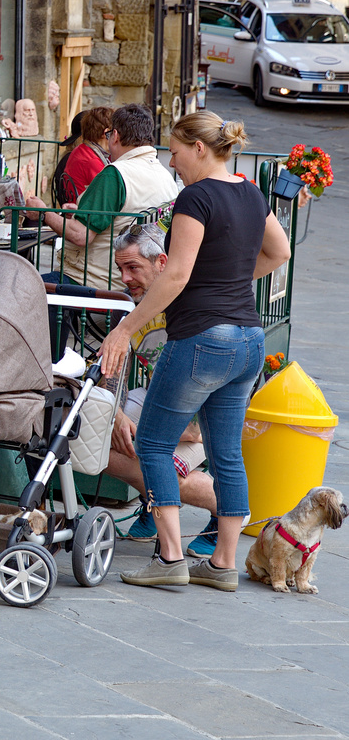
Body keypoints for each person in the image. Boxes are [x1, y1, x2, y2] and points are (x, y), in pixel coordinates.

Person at [98, 111, 292, 591]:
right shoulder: (250, 192)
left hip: (204, 338)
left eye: (176, 151)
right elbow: (280, 251)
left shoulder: (196, 196)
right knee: (227, 454)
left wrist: (125, 329)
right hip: (247, 339)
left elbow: (177, 274)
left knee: (154, 444)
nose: (172, 160)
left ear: (199, 148)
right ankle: (224, 563)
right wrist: (227, 283)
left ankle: (169, 558)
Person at [109, 222, 221, 558]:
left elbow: (216, 389)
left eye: (133, 268)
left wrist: (184, 428)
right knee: (96, 436)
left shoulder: (194, 307)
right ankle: (153, 501)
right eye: (120, 269)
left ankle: (229, 509)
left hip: (202, 417)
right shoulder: (131, 310)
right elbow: (112, 373)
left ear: (161, 263)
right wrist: (114, 415)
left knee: (167, 470)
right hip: (162, 403)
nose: (125, 278)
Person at [28, 103, 179, 291]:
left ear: (114, 136)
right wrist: (80, 212)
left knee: (20, 287)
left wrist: (44, 213)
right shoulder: (165, 176)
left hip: (94, 282)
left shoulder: (115, 174)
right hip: (139, 283)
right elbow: (123, 215)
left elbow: (81, 235)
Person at [51, 106, 112, 205]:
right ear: (105, 133)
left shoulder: (80, 151)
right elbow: (110, 196)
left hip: (78, 210)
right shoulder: (91, 160)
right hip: (84, 215)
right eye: (114, 132)